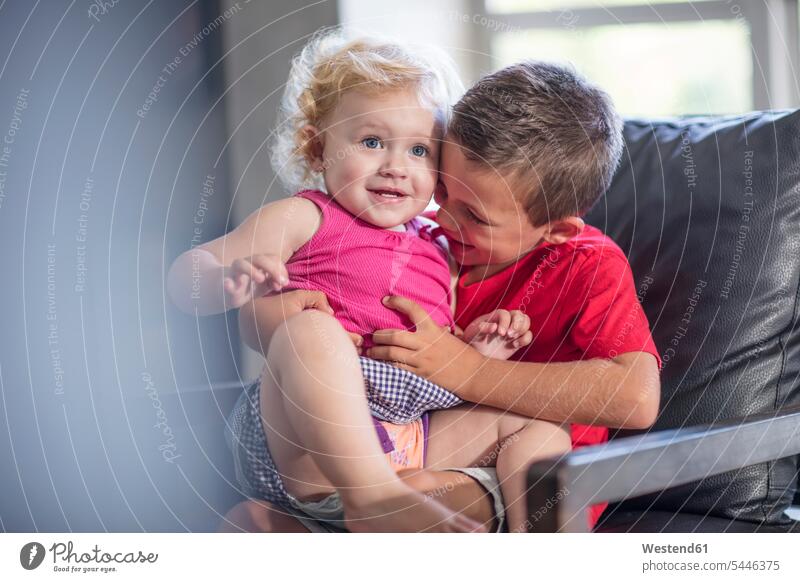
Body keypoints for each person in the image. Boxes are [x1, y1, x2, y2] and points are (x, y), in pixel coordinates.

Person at [225, 60, 662, 533]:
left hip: (509, 468)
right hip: (396, 436)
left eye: (475, 215)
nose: (446, 219)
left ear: (556, 231)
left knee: (415, 490)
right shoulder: (424, 243)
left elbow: (636, 399)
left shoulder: (587, 265)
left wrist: (468, 369)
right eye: (444, 191)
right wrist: (276, 310)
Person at [170, 31, 573, 533]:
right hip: (312, 444)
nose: (395, 167)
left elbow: (437, 351)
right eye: (371, 142)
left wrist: (478, 351)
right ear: (318, 149)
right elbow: (186, 276)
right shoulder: (304, 216)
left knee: (542, 432)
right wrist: (226, 279)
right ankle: (371, 495)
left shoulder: (439, 245)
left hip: (413, 434)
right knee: (310, 331)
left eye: (420, 150)